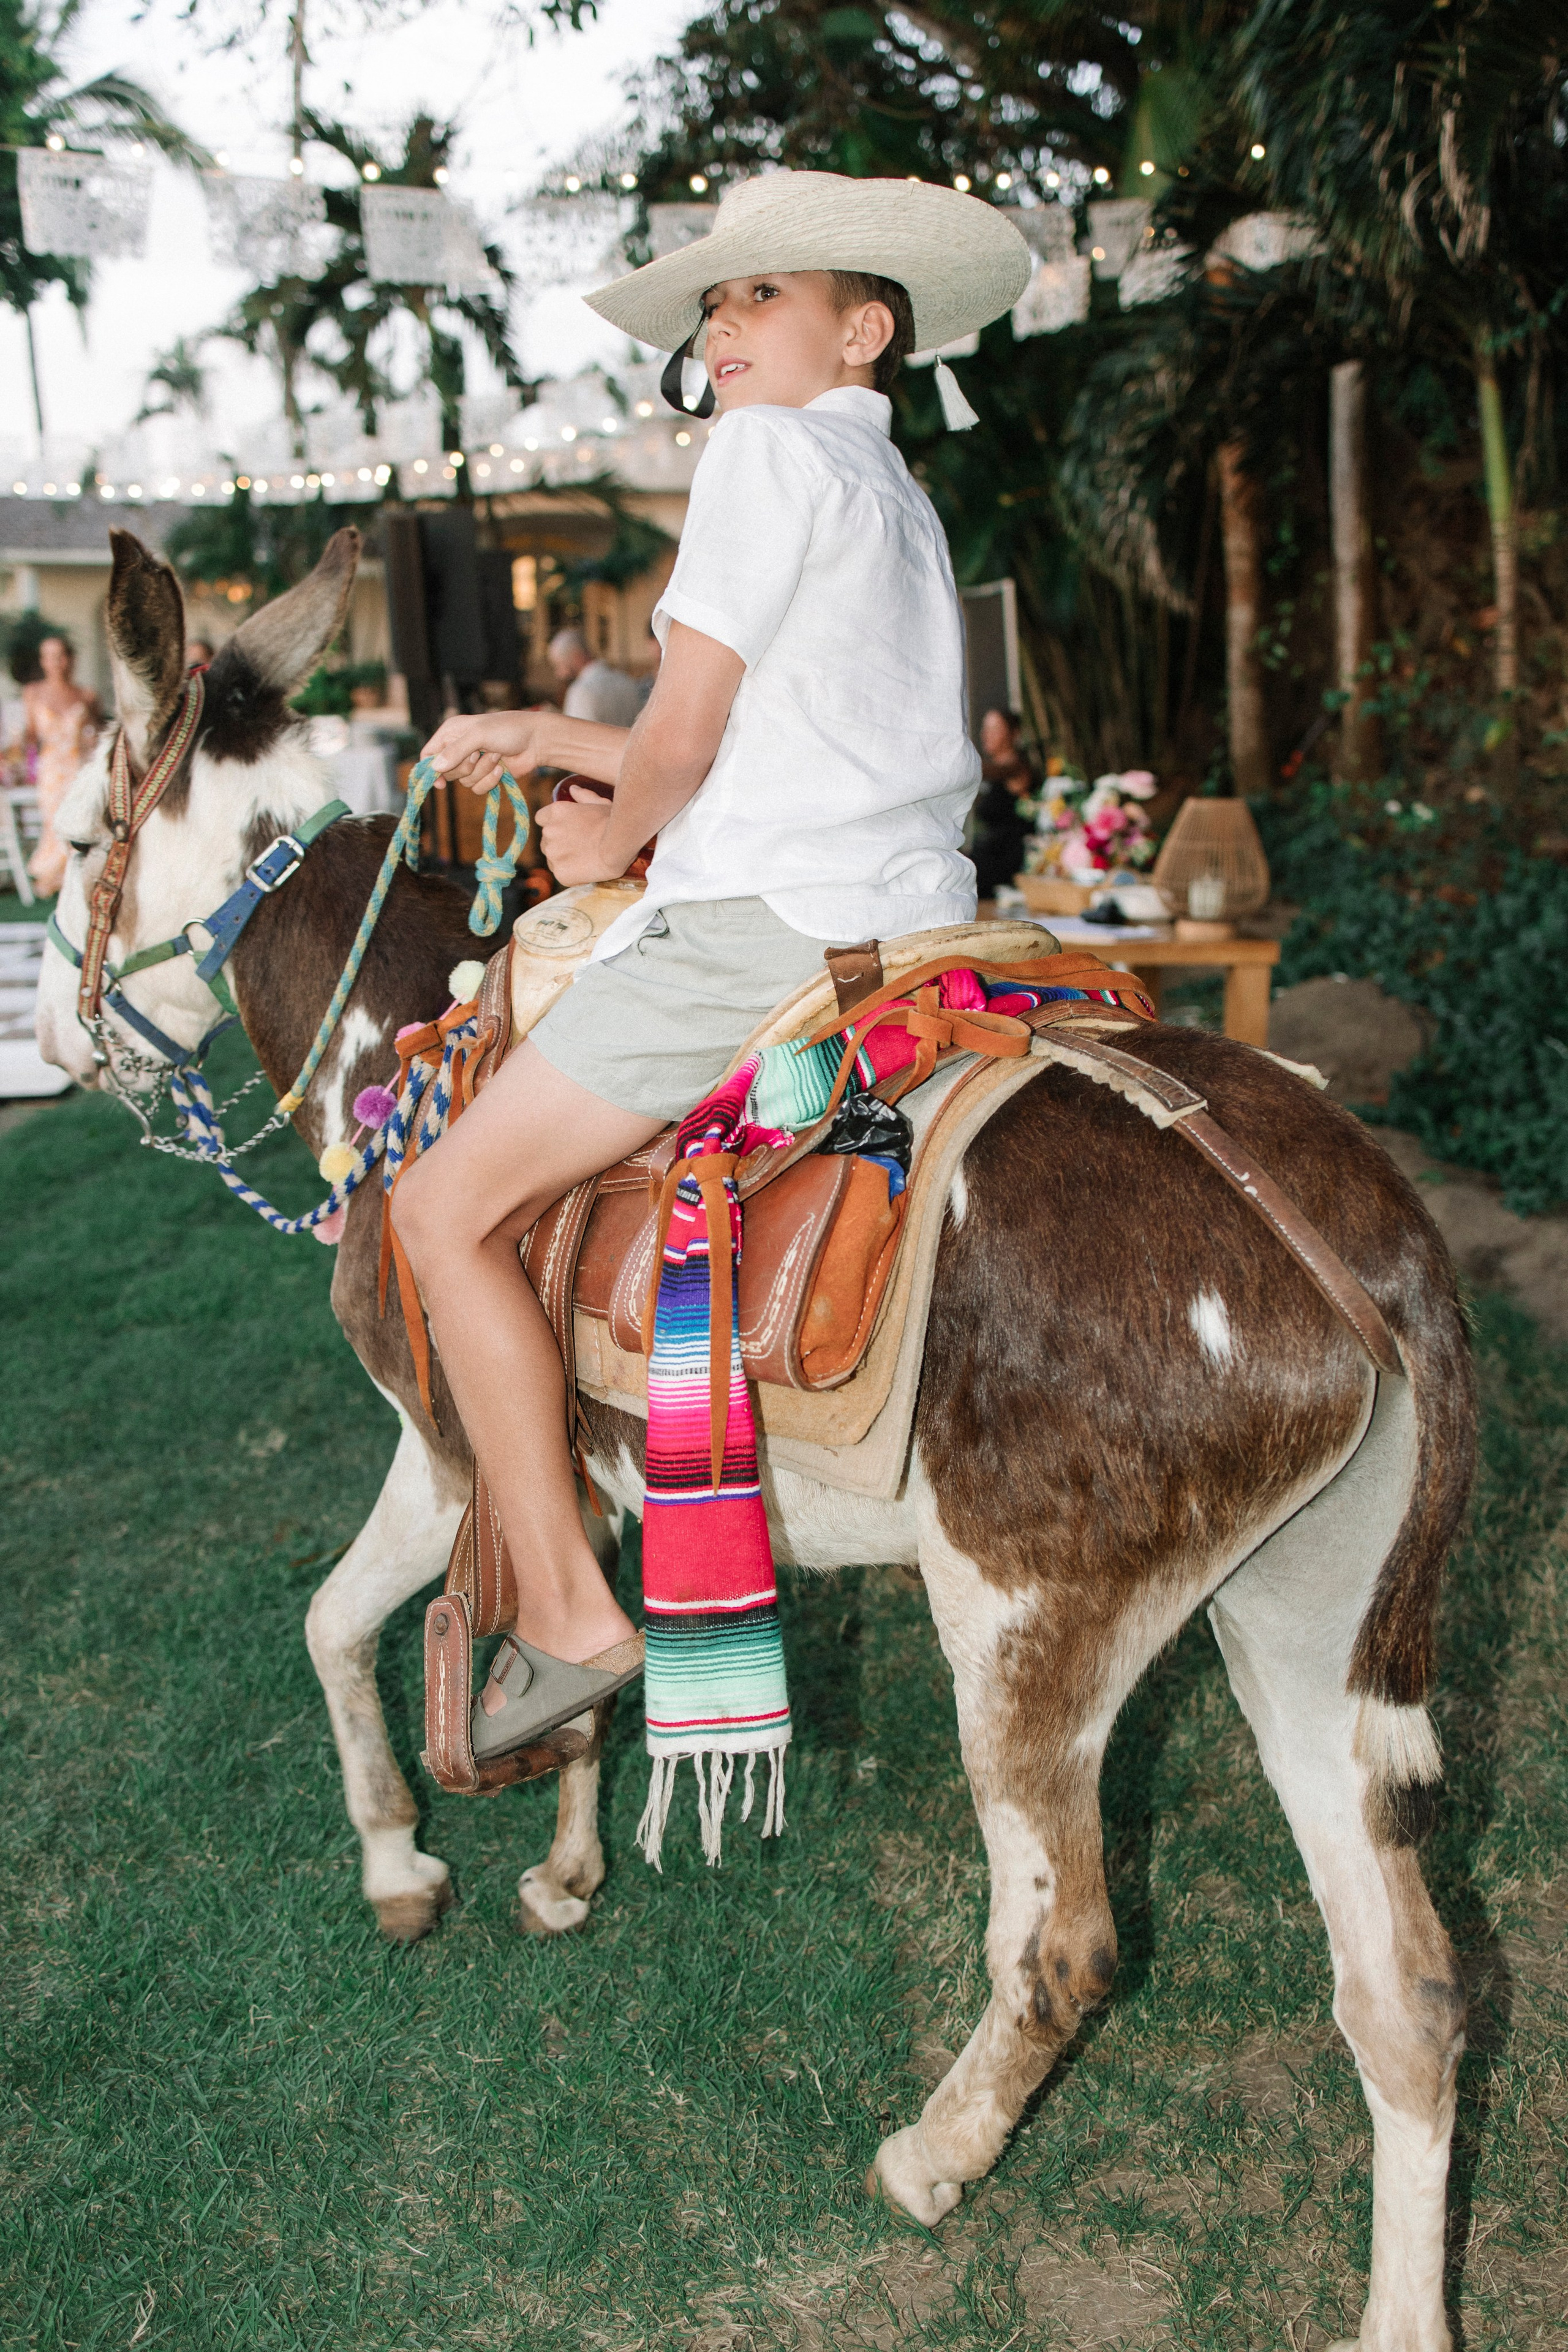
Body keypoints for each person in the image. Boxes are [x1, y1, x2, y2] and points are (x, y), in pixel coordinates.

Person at [394, 168, 1029, 1760]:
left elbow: (679, 746)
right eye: (714, 305)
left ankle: (566, 1604)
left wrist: (604, 836)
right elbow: (759, 742)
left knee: (435, 1206)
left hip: (759, 929)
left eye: (760, 294)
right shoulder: (885, 486)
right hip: (908, 911)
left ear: (862, 325)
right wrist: (557, 742)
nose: (723, 325)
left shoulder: (755, 452)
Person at [21, 633, 100, 898]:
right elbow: (30, 737)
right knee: (54, 820)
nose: (56, 662)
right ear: (43, 661)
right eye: (50, 656)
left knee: (81, 817)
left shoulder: (86, 695)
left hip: (79, 766)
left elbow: (98, 733)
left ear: (70, 659)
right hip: (52, 769)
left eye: (61, 656)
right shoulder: (32, 693)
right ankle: (52, 874)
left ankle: (77, 874)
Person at [970, 706, 1039, 900]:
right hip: (987, 857)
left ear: (1014, 734)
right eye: (985, 729)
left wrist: (961, 761)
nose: (986, 735)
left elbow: (996, 770)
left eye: (995, 729)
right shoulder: (992, 774)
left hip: (1006, 862)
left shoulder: (1017, 767)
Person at [547, 627, 644, 728]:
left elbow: (576, 737)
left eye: (560, 665)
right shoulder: (626, 681)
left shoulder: (580, 691)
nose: (559, 674)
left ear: (577, 656)